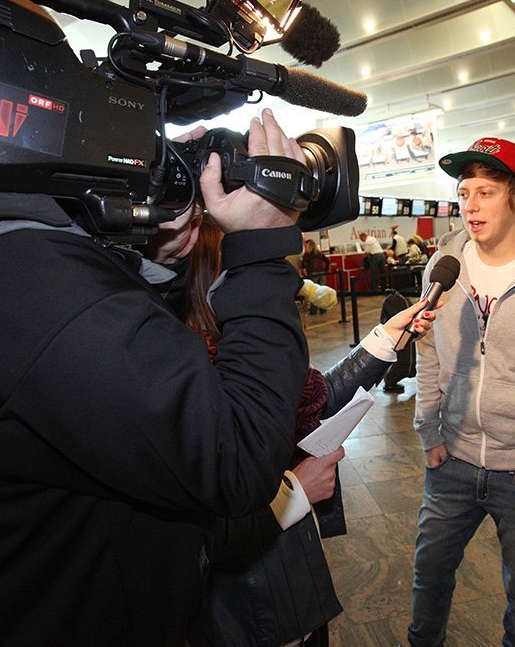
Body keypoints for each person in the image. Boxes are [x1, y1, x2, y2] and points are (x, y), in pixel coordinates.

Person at [0, 108, 314, 644]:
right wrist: (260, 250)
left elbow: (113, 386)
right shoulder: (24, 282)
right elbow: (236, 455)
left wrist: (144, 250)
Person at [176, 216, 439, 646]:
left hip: (292, 577)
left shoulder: (247, 350)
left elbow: (318, 393)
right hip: (248, 609)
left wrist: (385, 338)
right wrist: (296, 490)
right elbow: (197, 534)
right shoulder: (183, 379)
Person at [409, 136, 515, 647]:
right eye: (464, 194)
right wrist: (429, 432)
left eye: (485, 192)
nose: (471, 206)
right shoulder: (443, 268)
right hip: (452, 461)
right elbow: (428, 353)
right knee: (428, 576)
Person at [301, 239, 331, 314]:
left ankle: (313, 311)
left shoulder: (307, 254)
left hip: (313, 273)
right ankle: (323, 310)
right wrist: (325, 270)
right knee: (322, 292)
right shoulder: (319, 253)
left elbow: (303, 264)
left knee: (314, 292)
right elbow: (328, 261)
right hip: (321, 273)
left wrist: (306, 272)